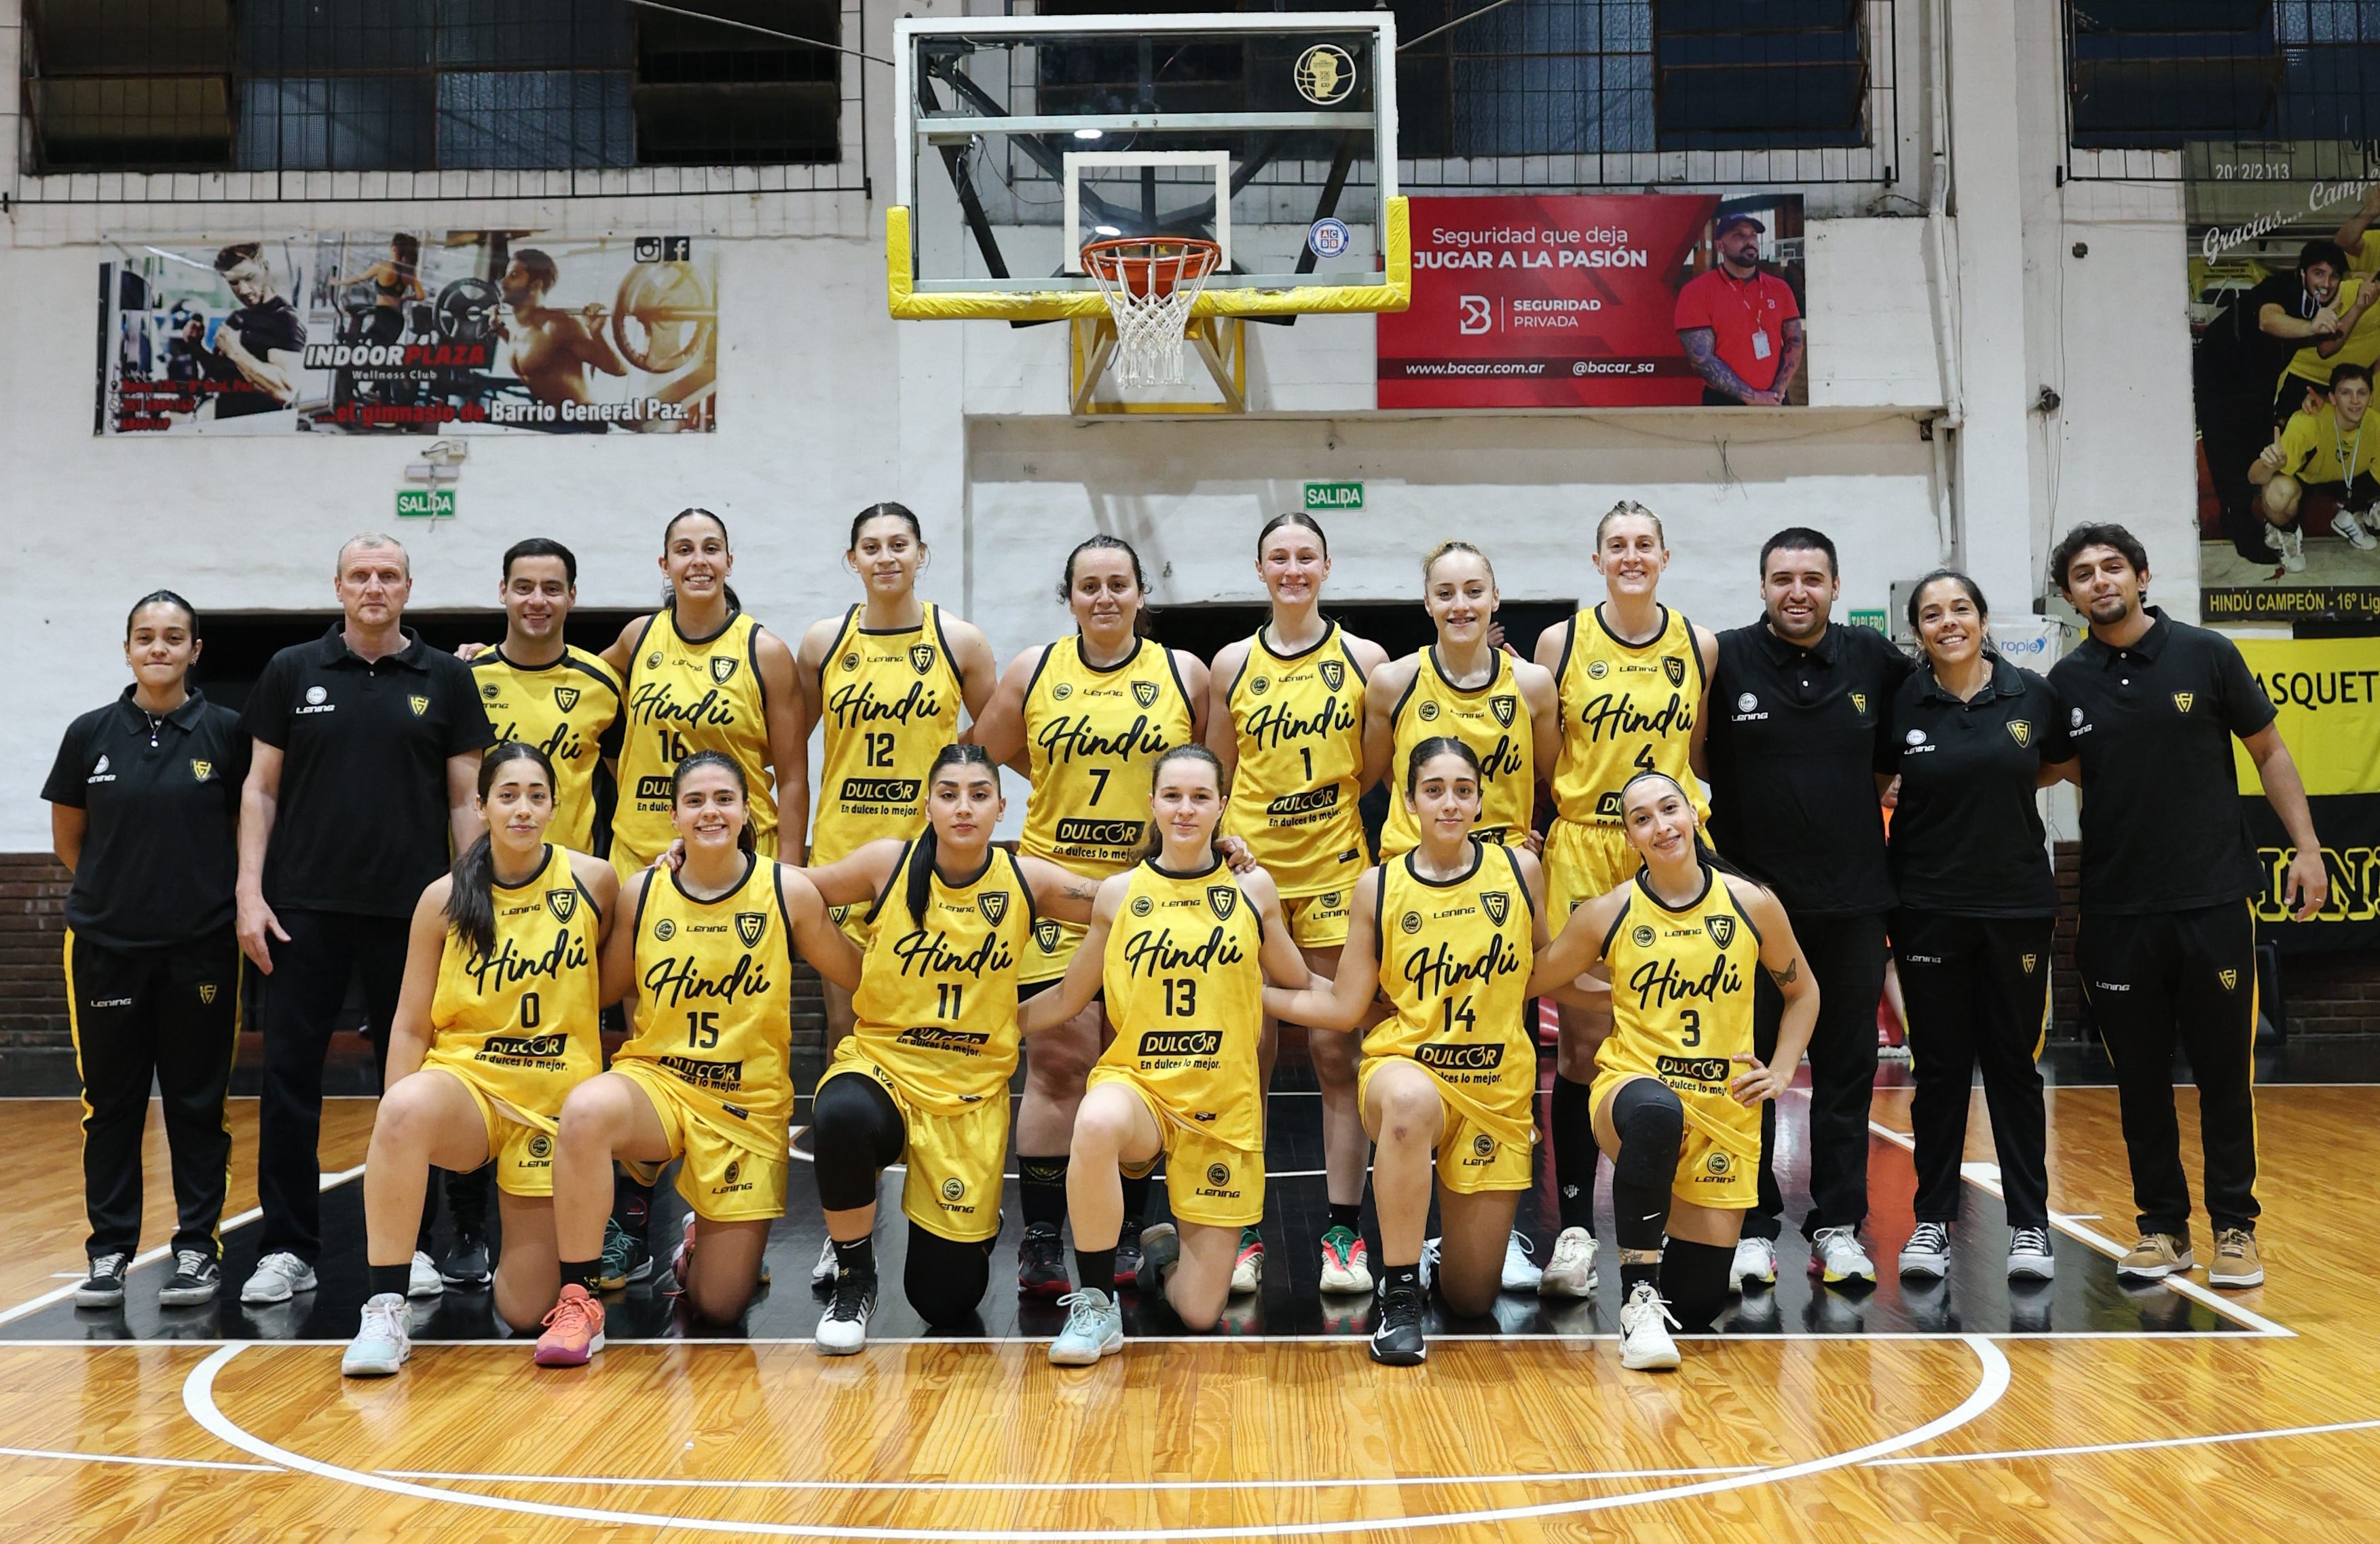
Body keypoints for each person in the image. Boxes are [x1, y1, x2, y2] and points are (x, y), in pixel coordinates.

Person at [2047, 523, 2327, 1291]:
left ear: (2141, 574)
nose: (2099, 581)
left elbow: (2268, 752)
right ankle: (2162, 1231)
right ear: (2067, 595)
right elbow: (2031, 768)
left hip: (2210, 902)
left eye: (2111, 567)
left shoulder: (2205, 654)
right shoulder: (2063, 685)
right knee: (2136, 1081)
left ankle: (2234, 1231)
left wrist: (2305, 849)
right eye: (2081, 573)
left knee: (2221, 1077)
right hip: (2114, 911)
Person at [235, 534, 493, 1309]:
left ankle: (409, 1249)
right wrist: (249, 891)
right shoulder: (291, 670)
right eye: (359, 575)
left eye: (387, 575)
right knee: (287, 1083)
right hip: (301, 911)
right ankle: (286, 1249)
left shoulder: (445, 677)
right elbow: (259, 790)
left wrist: (471, 898)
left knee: (409, 1090)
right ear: (338, 587)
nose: (373, 586)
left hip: (413, 916)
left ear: (409, 587)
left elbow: (463, 800)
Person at [534, 753, 856, 1363]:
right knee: (585, 1111)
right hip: (659, 1084)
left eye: (724, 800)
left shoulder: (787, 891)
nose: (710, 811)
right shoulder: (644, 890)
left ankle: (699, 1241)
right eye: (696, 801)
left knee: (718, 1306)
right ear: (675, 815)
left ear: (745, 811)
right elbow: (600, 991)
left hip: (747, 1103)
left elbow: (861, 976)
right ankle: (579, 1300)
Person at [799, 745, 1108, 1352]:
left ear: (1001, 809)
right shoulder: (888, 863)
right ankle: (854, 1276)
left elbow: (1127, 900)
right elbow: (792, 891)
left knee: (946, 1302)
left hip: (969, 1093)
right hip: (883, 1066)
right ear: (928, 805)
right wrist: (855, 969)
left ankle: (972, 1227)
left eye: (977, 794)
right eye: (948, 793)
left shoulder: (1027, 878)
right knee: (839, 1115)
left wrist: (1211, 856)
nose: (962, 807)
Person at [969, 535, 1210, 1299]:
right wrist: (1058, 779)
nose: (1103, 597)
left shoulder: (1182, 674)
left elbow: (1207, 775)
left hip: (1152, 895)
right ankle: (1040, 1240)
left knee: (1135, 1069)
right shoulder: (1033, 670)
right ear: (1067, 596)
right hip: (1053, 892)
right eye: (1088, 586)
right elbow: (984, 752)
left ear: (1143, 594)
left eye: (1117, 584)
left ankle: (1134, 1230)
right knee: (1057, 1063)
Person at [1262, 741, 1546, 1367]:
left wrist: (1620, 984)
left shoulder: (1521, 873)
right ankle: (1398, 1297)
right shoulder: (1378, 885)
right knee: (1412, 1101)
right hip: (1403, 1072)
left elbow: (1545, 968)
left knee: (1472, 1301)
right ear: (1408, 799)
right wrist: (1250, 993)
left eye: (1464, 789)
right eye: (1435, 789)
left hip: (1495, 1088)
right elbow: (1343, 1008)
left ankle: (1430, 1250)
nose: (1450, 802)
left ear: (1480, 799)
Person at [339, 743, 618, 1376]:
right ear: (481, 804)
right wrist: (397, 1119)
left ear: (556, 803)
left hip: (556, 1108)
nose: (523, 808)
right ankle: (385, 1307)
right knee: (406, 1109)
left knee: (523, 1310)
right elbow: (410, 1025)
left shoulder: (594, 881)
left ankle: (558, 1271)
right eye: (508, 794)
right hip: (471, 1090)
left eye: (536, 795)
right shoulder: (442, 898)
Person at [1028, 746, 1310, 1363]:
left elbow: (1296, 982)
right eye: (1174, 796)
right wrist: (987, 1026)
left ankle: (1160, 1255)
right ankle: (1097, 1306)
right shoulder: (1119, 893)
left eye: (1200, 797)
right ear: (1153, 803)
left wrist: (1375, 1004)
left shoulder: (1253, 887)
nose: (1186, 810)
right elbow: (1071, 994)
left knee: (1201, 1313)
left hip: (1221, 1105)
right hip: (1141, 1090)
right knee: (1096, 1120)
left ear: (1222, 807)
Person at [1527, 771, 1817, 1370]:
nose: (1661, 827)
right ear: (1629, 836)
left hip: (1724, 1109)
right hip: (1632, 1090)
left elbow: (1805, 993)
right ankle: (1636, 1298)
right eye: (1642, 819)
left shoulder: (1751, 902)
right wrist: (1609, 1002)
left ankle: (1663, 1285)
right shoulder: (1608, 912)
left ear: (1694, 816)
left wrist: (1784, 1070)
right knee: (1659, 1112)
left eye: (1669, 810)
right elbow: (1532, 979)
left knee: (1698, 1303)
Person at [1698, 527, 1914, 1293]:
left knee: (1847, 1070)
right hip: (1749, 910)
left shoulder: (1874, 659)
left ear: (1832, 585)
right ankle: (1751, 1227)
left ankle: (1835, 1228)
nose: (1797, 591)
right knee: (1749, 1067)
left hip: (1851, 901)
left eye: (1811, 578)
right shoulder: (1722, 659)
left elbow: (1897, 751)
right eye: (1782, 577)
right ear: (1761, 586)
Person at [794, 504, 998, 1293]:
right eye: (871, 547)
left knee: (944, 1031)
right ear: (853, 559)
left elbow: (996, 735)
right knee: (852, 1033)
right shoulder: (823, 641)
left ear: (921, 554)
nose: (886, 557)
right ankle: (852, 1230)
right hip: (846, 858)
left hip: (932, 869)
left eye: (898, 545)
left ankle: (953, 1201)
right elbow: (785, 747)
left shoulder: (959, 641)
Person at [1532, 500, 1717, 1301]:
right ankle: (1575, 1227)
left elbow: (1698, 750)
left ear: (1664, 557)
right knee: (1580, 1042)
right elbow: (1548, 757)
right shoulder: (1560, 642)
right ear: (1597, 558)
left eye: (1644, 544)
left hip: (1670, 843)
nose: (1631, 555)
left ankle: (1683, 1216)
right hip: (1584, 842)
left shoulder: (1698, 644)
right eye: (1617, 545)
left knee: (1679, 1035)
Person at [44, 591, 249, 1311]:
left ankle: (197, 1248)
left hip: (201, 950)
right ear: (127, 648)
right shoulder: (89, 733)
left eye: (173, 637)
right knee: (111, 1107)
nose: (158, 648)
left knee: (197, 1104)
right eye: (145, 637)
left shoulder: (227, 732)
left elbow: (240, 834)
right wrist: (119, 896)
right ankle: (108, 1255)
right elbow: (71, 838)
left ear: (196, 651)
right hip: (105, 947)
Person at [1205, 512, 1388, 1300]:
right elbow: (1215, 769)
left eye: (1304, 556)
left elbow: (1372, 769)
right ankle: (1243, 1229)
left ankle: (1341, 1233)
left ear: (1325, 566)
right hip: (1249, 882)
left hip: (1334, 877)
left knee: (1333, 1055)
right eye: (1277, 558)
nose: (1291, 569)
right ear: (1258, 570)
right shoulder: (1232, 661)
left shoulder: (1364, 659)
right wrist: (1226, 846)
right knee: (1245, 1057)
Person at [1878, 572, 2076, 1285]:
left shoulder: (2031, 693)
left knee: (2012, 1069)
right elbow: (1873, 781)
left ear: (1982, 617)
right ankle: (1930, 1223)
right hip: (1927, 906)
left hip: (2015, 907)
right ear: (1917, 630)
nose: (1947, 622)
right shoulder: (1901, 699)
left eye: (1959, 608)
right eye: (1931, 614)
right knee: (1937, 1072)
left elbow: (2057, 763)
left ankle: (2029, 1226)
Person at [601, 508, 806, 877]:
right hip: (639, 852)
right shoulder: (638, 639)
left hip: (739, 853)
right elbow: (575, 679)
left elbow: (792, 779)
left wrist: (790, 876)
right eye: (684, 550)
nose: (699, 561)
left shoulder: (766, 652)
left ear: (729, 561)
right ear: (665, 564)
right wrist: (491, 654)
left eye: (711, 549)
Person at [1364, 541, 1559, 862]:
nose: (1460, 605)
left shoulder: (1533, 684)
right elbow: (1382, 773)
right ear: (1427, 603)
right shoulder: (1392, 683)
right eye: (1445, 594)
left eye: (1473, 591)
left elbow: (1554, 778)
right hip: (1412, 866)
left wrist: (1518, 827)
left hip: (1502, 866)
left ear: (1495, 597)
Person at [2194, 239, 2356, 558]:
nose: (2326, 283)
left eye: (2333, 276)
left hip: (2256, 380)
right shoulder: (2280, 286)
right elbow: (2268, 320)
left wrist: (2356, 305)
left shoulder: (2320, 303)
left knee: (2257, 449)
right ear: (2302, 273)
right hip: (2220, 371)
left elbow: (2327, 346)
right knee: (2228, 450)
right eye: (2319, 273)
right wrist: (2311, 326)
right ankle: (2240, 529)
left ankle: (2249, 521)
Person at [470, 538, 625, 859]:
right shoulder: (467, 678)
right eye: (524, 588)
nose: (537, 601)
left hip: (572, 877)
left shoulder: (603, 683)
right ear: (503, 592)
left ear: (572, 595)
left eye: (552, 589)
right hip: (485, 874)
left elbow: (627, 782)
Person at [2248, 362, 2380, 568]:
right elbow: (2254, 477)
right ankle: (2285, 532)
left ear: (2371, 398)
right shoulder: (2308, 422)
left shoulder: (2376, 424)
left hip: (2348, 480)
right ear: (2333, 399)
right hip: (2307, 479)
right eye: (2346, 393)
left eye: (2362, 393)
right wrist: (2270, 465)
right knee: (2280, 492)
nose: (2355, 401)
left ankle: (2353, 514)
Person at [1673, 213, 1804, 407]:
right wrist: (1754, 398)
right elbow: (1701, 359)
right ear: (1720, 246)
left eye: (1753, 235)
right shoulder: (1696, 292)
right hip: (1724, 402)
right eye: (1739, 235)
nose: (1749, 241)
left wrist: (1778, 391)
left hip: (1776, 399)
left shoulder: (1780, 288)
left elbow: (1794, 341)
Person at [499, 247, 629, 411]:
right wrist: (499, 329)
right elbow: (535, 353)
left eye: (513, 276)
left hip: (581, 423)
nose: (503, 283)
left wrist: (596, 333)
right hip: (549, 420)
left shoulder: (558, 326)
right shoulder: (518, 327)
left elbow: (619, 370)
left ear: (535, 285)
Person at [187, 242, 306, 419]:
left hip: (260, 432)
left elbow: (284, 392)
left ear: (265, 269)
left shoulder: (285, 320)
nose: (243, 290)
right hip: (226, 425)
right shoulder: (238, 318)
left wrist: (235, 351)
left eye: (250, 277)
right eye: (234, 282)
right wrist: (196, 345)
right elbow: (223, 376)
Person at [329, 234, 426, 346]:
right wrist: (405, 298)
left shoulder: (383, 267)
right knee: (382, 352)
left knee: (372, 351)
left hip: (383, 318)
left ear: (394, 248)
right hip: (398, 320)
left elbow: (359, 279)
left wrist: (338, 282)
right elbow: (420, 296)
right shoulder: (409, 272)